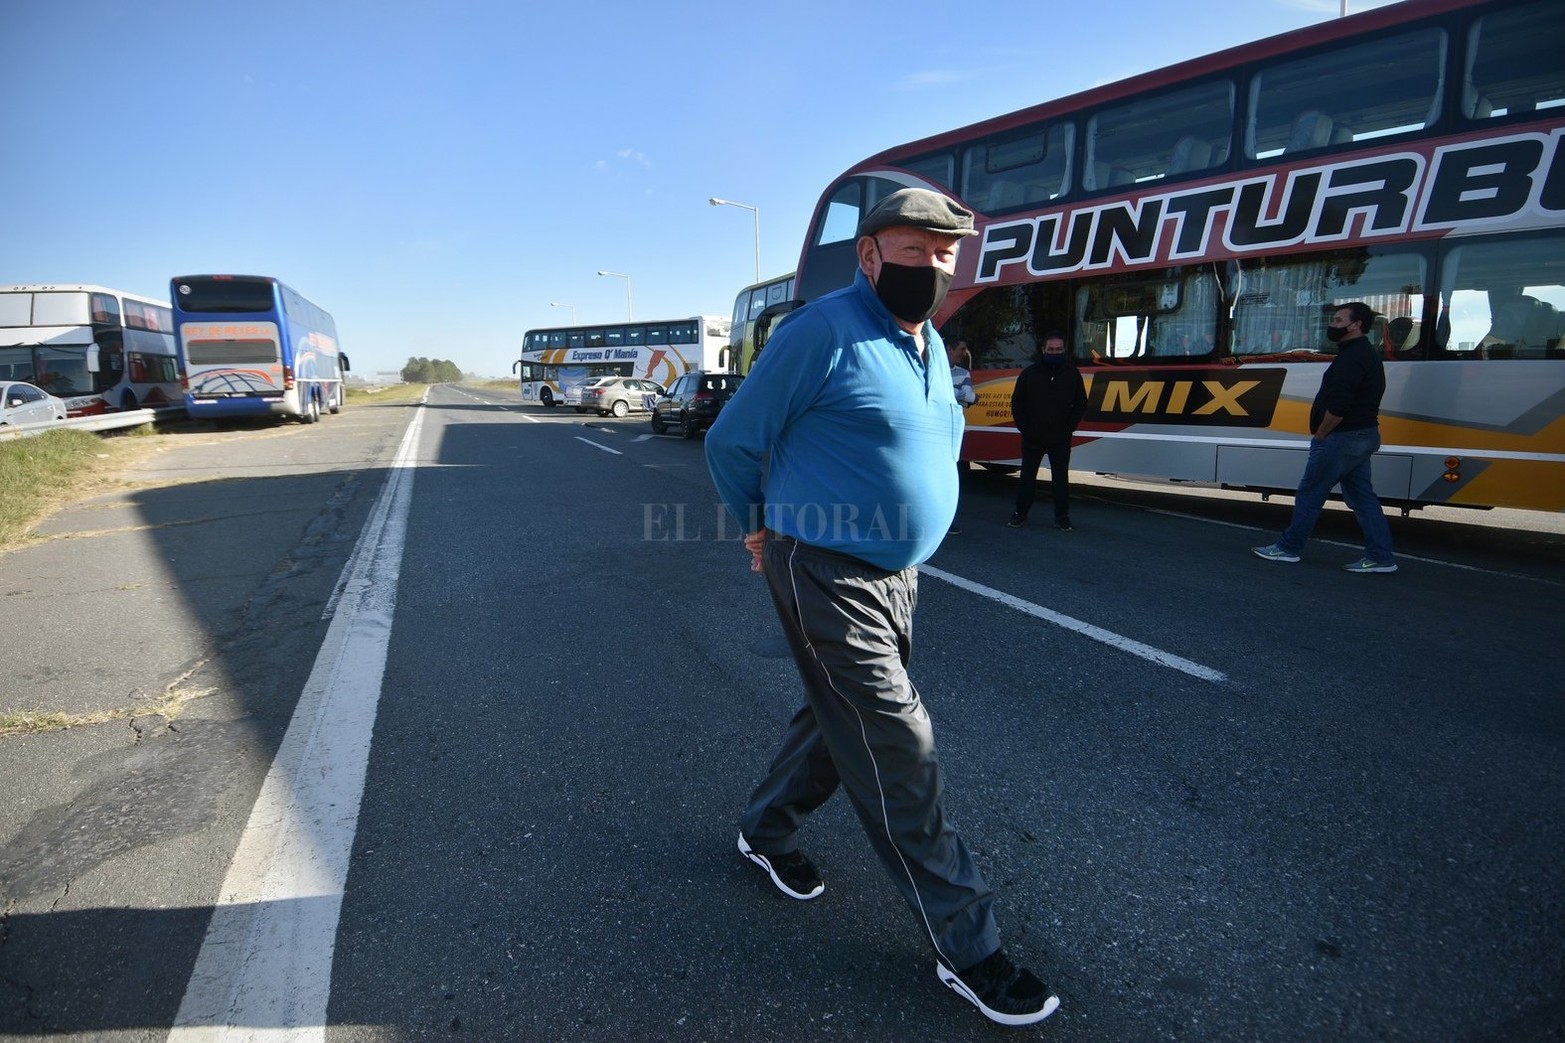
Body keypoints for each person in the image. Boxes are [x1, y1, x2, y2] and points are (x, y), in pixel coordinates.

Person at [705, 187, 1060, 1027]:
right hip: (821, 565)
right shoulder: (820, 332)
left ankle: (764, 828)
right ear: (868, 255)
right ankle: (969, 947)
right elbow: (732, 440)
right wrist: (757, 526)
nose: (933, 267)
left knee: (843, 720)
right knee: (897, 739)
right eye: (914, 251)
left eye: (945, 255)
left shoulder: (930, 343)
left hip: (895, 576)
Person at [1252, 301, 1397, 573]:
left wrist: (1321, 435)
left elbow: (1339, 405)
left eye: (1339, 321)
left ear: (1356, 325)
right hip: (1363, 435)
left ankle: (1288, 549)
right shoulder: (1364, 353)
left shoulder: (1352, 358)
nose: (1332, 326)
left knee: (1310, 493)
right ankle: (1381, 557)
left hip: (1342, 438)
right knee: (1362, 498)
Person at [1008, 333, 1087, 531]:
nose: (1054, 352)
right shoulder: (1029, 374)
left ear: (1064, 350)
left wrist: (1068, 427)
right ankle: (1020, 514)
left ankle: (1062, 517)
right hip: (1032, 437)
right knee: (1027, 478)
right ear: (1043, 350)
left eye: (1058, 349)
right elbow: (1018, 402)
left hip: (1060, 438)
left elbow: (1080, 403)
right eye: (1050, 349)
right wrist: (1025, 428)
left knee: (1061, 480)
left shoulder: (1072, 373)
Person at [947, 339, 977, 535]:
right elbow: (963, 395)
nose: (964, 353)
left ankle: (947, 521)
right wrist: (959, 393)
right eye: (960, 349)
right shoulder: (931, 367)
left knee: (952, 477)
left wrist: (952, 392)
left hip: (953, 432)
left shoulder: (963, 373)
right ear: (948, 349)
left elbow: (970, 397)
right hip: (936, 431)